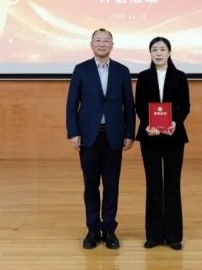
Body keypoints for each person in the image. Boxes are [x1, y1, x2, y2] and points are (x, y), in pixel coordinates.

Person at [66, 28, 135, 250]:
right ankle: (93, 229)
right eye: (98, 40)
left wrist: (129, 133)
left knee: (112, 185)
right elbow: (72, 105)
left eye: (106, 41)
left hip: (114, 136)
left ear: (112, 45)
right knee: (91, 185)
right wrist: (73, 132)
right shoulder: (81, 69)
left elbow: (129, 106)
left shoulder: (122, 71)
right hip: (88, 137)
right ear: (91, 44)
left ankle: (110, 230)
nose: (102, 44)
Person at [134, 36, 190, 250]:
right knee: (153, 183)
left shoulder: (180, 76)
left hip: (175, 136)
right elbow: (139, 105)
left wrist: (175, 122)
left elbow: (185, 105)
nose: (158, 53)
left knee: (173, 183)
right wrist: (148, 124)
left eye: (162, 49)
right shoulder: (143, 76)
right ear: (150, 53)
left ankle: (174, 235)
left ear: (169, 52)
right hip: (150, 136)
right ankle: (154, 235)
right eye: (154, 49)